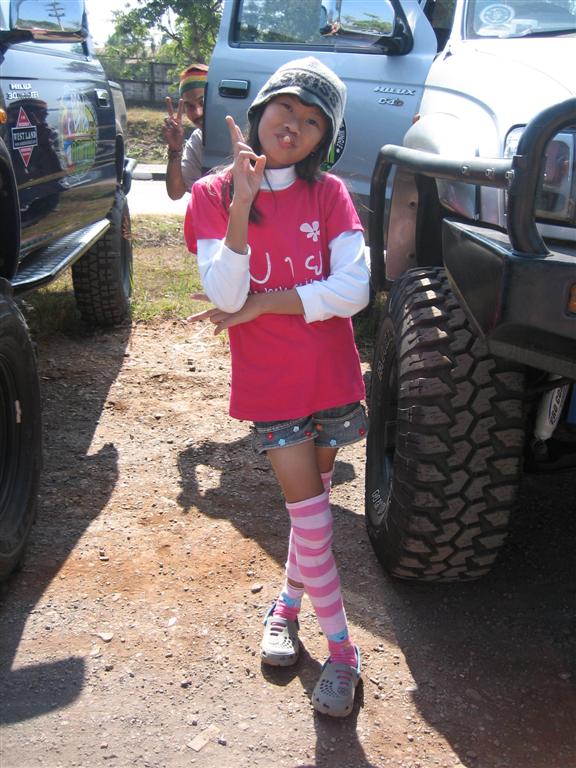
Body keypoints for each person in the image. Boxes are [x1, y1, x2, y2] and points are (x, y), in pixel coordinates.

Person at [184, 57, 370, 718]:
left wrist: (268, 304)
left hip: (333, 376)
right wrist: (242, 201)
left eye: (313, 120)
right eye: (285, 108)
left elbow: (355, 289)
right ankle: (345, 654)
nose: (294, 125)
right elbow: (226, 291)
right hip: (271, 384)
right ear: (260, 110)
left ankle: (286, 609)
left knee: (309, 514)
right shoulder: (211, 194)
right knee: (311, 518)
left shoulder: (330, 193)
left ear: (325, 140)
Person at [162, 63, 208, 200]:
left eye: (203, 102)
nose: (198, 113)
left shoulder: (246, 131)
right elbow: (175, 193)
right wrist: (175, 150)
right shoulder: (198, 139)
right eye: (190, 106)